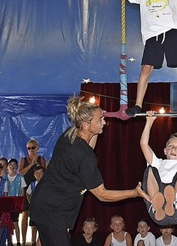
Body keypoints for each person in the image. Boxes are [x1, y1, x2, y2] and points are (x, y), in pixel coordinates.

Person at [30, 96, 149, 245]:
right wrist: (134, 193)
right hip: (52, 210)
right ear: (86, 125)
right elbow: (102, 194)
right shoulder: (84, 156)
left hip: (44, 202)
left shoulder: (70, 134)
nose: (104, 122)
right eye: (100, 120)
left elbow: (88, 146)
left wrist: (97, 121)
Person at [141, 110, 177, 224]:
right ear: (165, 150)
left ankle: (173, 200)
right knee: (150, 169)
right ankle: (155, 203)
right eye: (171, 146)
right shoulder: (158, 163)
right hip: (158, 211)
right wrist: (149, 121)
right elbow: (143, 144)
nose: (173, 149)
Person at [19, 138, 47, 245]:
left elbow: (45, 172)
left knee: (37, 214)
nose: (31, 149)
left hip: (39, 188)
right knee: (25, 213)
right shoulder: (23, 160)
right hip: (27, 188)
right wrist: (31, 164)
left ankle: (36, 240)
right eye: (29, 148)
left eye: (33, 147)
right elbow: (21, 172)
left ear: (37, 148)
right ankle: (23, 239)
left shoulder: (41, 159)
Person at [5, 158, 26, 246]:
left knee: (15, 222)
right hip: (7, 204)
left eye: (14, 165)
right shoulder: (4, 178)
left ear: (17, 167)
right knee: (7, 223)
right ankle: (9, 241)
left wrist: (20, 202)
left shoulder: (20, 177)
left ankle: (18, 242)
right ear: (7, 167)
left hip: (16, 204)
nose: (12, 167)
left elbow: (22, 190)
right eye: (10, 165)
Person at [25, 165, 45, 246]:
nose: (39, 175)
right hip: (34, 210)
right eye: (37, 173)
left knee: (43, 228)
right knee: (33, 227)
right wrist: (31, 202)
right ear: (34, 175)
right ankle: (33, 242)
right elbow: (28, 193)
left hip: (44, 211)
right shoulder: (32, 184)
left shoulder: (47, 185)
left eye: (41, 173)